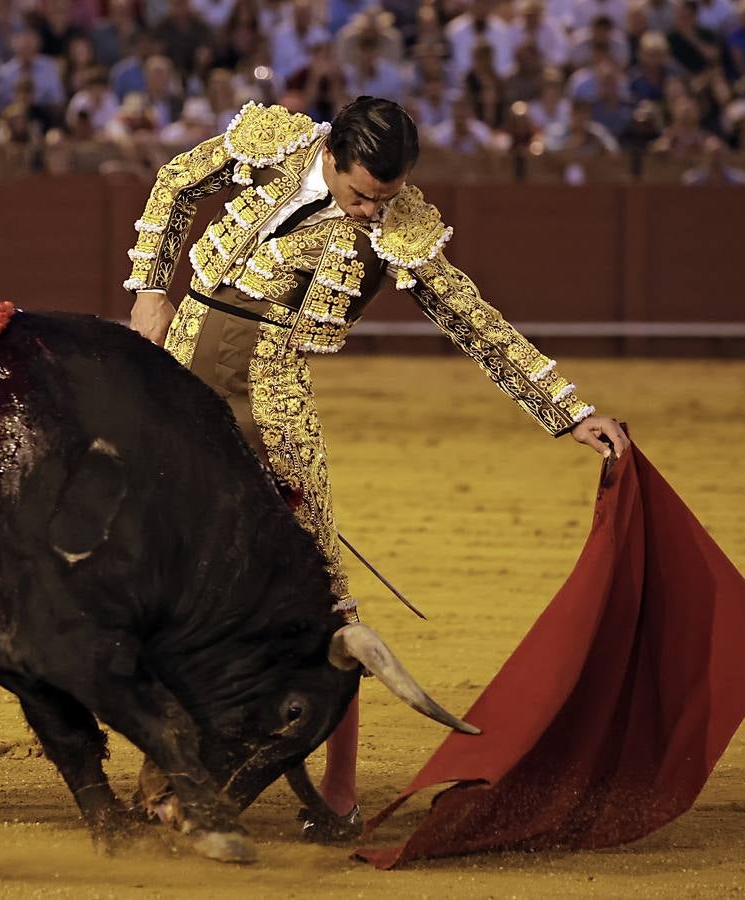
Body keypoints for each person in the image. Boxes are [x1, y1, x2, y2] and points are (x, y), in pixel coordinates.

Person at [124, 96, 628, 838]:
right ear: (328, 155)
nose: (369, 213)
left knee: (322, 595)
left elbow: (471, 319)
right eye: (361, 194)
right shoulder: (275, 144)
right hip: (173, 377)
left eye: (383, 198)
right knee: (156, 573)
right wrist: (146, 289)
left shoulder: (400, 228)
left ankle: (337, 792)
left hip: (269, 407)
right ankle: (158, 777)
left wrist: (566, 410)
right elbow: (175, 182)